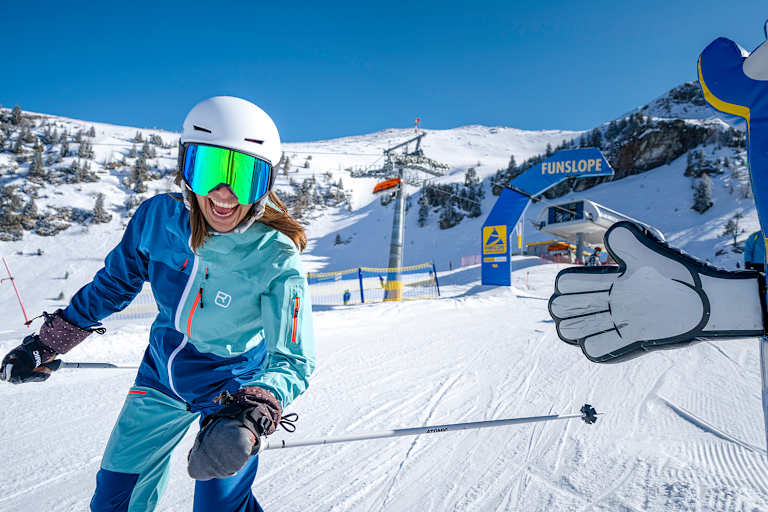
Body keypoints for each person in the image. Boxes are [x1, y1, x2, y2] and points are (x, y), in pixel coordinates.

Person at [0, 96, 316, 512]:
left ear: (265, 186)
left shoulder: (275, 258)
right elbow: (113, 285)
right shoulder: (157, 221)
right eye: (207, 171)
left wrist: (254, 411)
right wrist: (47, 344)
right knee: (114, 502)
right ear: (185, 169)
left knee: (219, 507)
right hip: (162, 379)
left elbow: (292, 359)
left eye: (243, 178)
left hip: (233, 392)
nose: (223, 194)